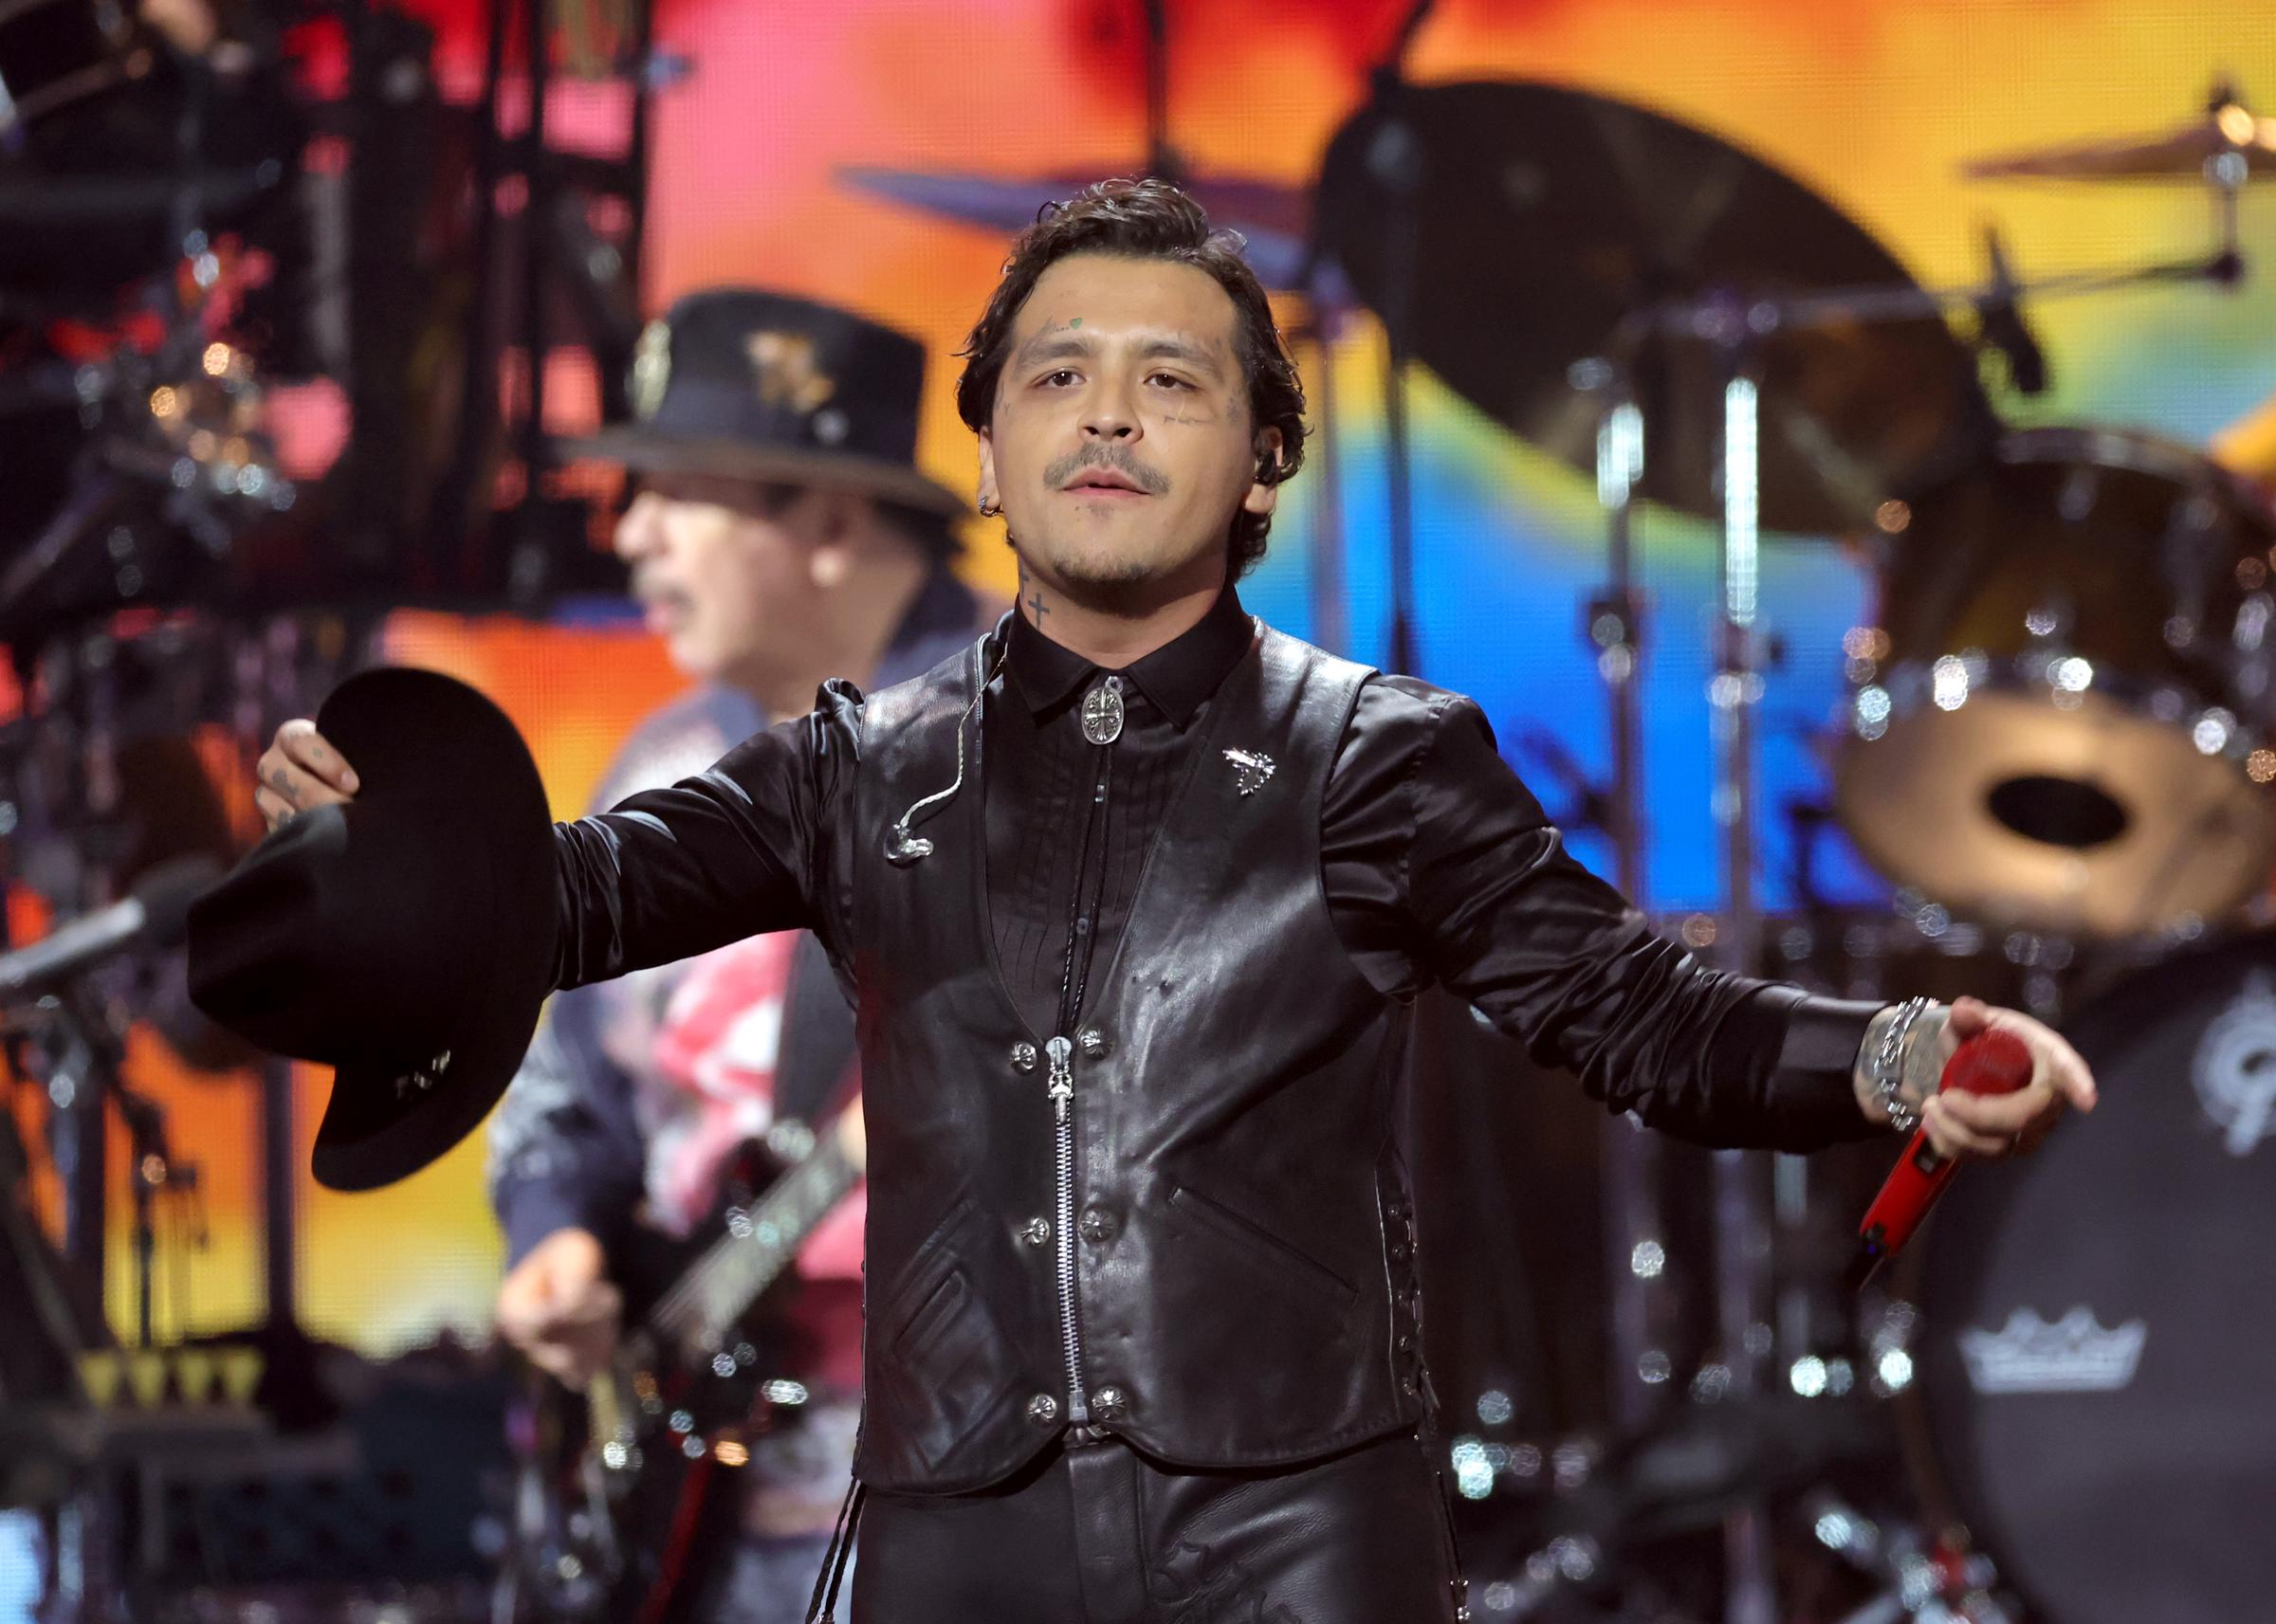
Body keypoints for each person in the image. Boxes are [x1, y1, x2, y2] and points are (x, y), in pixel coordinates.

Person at [252, 180, 2095, 1624]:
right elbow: (552, 905)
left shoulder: (1379, 760)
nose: (1108, 414)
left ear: (1263, 457)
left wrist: (1901, 1046)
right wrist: (375, 854)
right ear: (985, 454)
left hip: (1293, 1530)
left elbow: (1638, 1011)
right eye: (1056, 373)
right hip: (958, 1531)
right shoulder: (854, 764)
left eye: (1175, 376)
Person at [483, 290, 985, 1620]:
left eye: (672, 493)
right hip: (701, 1515)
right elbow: (561, 1093)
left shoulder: (1051, 750)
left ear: (826, 519)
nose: (629, 533)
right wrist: (556, 1241)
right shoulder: (655, 766)